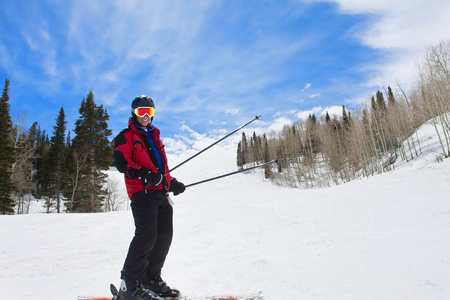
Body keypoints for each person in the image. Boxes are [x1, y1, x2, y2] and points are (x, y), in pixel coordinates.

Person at [113, 95, 186, 300]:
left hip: (160, 194)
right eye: (141, 112)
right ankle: (129, 285)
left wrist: (171, 182)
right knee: (146, 236)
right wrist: (145, 175)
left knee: (164, 237)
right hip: (141, 193)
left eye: (149, 112)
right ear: (133, 113)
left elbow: (161, 169)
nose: (145, 116)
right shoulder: (125, 136)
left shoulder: (155, 136)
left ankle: (150, 279)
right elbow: (123, 164)